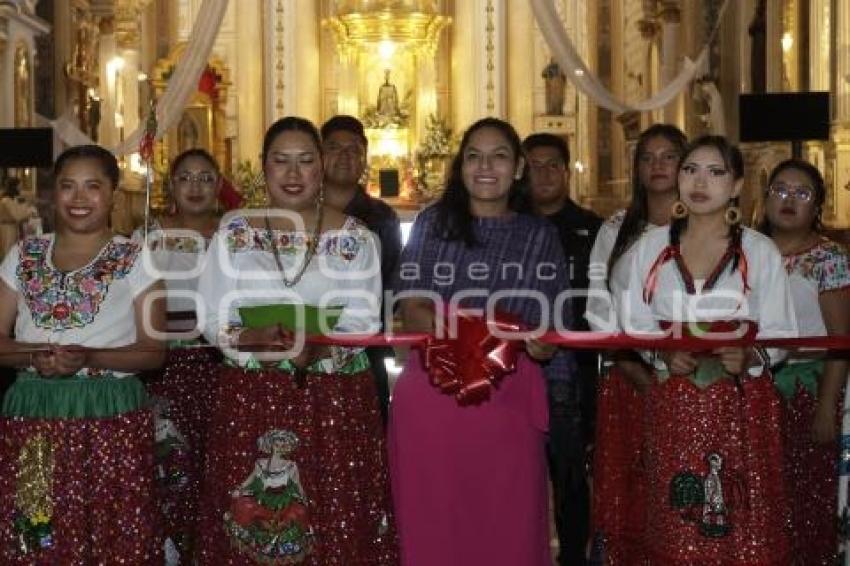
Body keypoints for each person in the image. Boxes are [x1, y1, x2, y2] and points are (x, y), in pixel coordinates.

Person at [195, 116, 396, 565]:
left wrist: (319, 345)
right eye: (280, 161)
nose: (292, 173)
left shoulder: (356, 238)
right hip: (251, 392)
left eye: (305, 161)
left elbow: (364, 319)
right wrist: (251, 337)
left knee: (333, 515)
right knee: (253, 519)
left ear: (321, 166)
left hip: (332, 396)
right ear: (263, 167)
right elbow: (211, 313)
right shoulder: (235, 231)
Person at [389, 117, 569, 566]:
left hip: (507, 399)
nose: (485, 166)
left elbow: (549, 323)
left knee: (507, 525)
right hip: (434, 393)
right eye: (474, 156)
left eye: (499, 156)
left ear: (519, 169)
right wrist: (483, 334)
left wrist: (544, 346)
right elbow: (412, 305)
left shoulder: (540, 235)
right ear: (460, 166)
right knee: (434, 525)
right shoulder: (432, 222)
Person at [620, 135, 798, 563]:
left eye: (716, 172)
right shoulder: (651, 248)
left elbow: (781, 328)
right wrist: (661, 353)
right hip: (673, 406)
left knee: (739, 518)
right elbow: (633, 320)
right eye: (690, 169)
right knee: (676, 517)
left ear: (737, 185)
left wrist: (752, 356)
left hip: (738, 409)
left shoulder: (759, 250)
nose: (700, 182)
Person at [0, 144, 166, 563]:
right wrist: (32, 356)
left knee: (111, 528)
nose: (79, 198)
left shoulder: (134, 257)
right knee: (36, 528)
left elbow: (153, 351)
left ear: (113, 194)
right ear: (52, 193)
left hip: (109, 412)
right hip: (33, 412)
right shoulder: (23, 255)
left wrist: (89, 357)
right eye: (68, 186)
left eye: (93, 186)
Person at [585, 123, 687, 562]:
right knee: (632, 484)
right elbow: (598, 305)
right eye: (648, 158)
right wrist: (636, 367)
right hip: (630, 376)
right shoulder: (616, 229)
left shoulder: (707, 225)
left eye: (668, 157)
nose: (658, 166)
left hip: (694, 380)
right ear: (637, 168)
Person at [134, 148, 224, 563]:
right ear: (171, 185)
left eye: (205, 178)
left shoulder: (233, 234)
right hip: (164, 368)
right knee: (169, 468)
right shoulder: (148, 235)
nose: (195, 187)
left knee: (217, 467)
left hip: (219, 369)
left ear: (219, 185)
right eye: (185, 177)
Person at [759, 159, 850, 564]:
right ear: (764, 200)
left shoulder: (829, 257)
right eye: (780, 190)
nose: (789, 200)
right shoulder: (748, 252)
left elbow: (840, 340)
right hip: (754, 387)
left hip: (806, 389)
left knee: (806, 498)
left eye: (802, 193)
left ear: (818, 206)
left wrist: (827, 407)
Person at [522, 132, 600, 566]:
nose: (545, 174)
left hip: (574, 366)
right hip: (513, 364)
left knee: (570, 470)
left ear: (567, 171)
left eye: (554, 164)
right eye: (535, 165)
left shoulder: (590, 226)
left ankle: (573, 555)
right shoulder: (508, 227)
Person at [321, 115, 402, 425]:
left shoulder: (382, 217)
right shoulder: (298, 212)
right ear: (319, 155)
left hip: (364, 349)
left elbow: (390, 280)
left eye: (353, 149)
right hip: (303, 340)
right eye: (334, 147)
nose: (344, 156)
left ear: (364, 158)